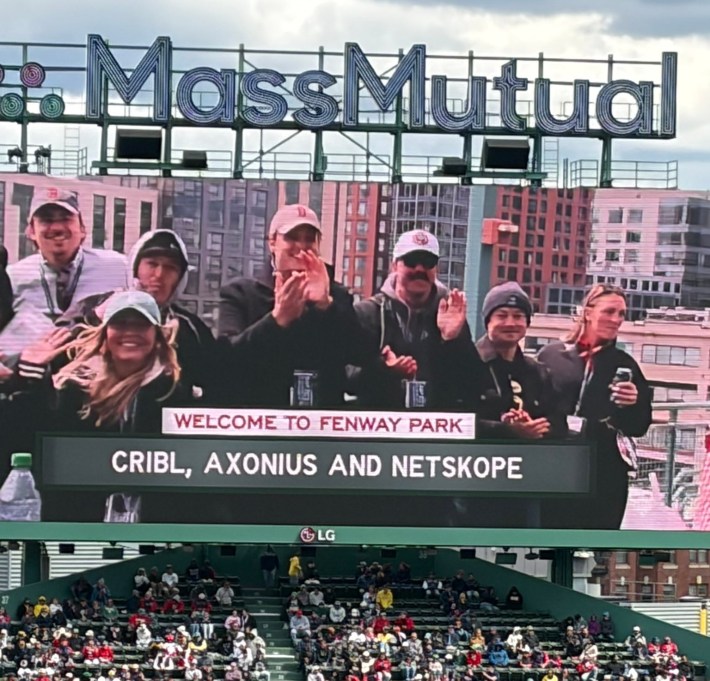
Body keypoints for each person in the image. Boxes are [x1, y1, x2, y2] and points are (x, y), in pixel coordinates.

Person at [218, 203, 363, 407]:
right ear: (272, 242)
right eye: (292, 237)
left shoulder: (337, 295)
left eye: (309, 239)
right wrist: (276, 320)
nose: (301, 246)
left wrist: (325, 306)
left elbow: (358, 354)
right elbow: (225, 362)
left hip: (320, 417)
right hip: (261, 415)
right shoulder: (240, 293)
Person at [538, 284, 652, 529]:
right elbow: (535, 406)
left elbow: (639, 426)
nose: (616, 319)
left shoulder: (625, 364)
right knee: (551, 540)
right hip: (556, 467)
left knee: (599, 545)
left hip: (605, 472)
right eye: (609, 311)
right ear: (587, 312)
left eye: (621, 314)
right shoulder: (551, 356)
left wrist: (633, 404)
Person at [75, 229, 221, 401]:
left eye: (170, 268)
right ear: (135, 268)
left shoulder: (190, 329)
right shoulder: (94, 308)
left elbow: (214, 385)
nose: (159, 275)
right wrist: (97, 318)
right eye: (152, 264)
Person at [350, 228, 483, 409]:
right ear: (394, 265)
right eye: (411, 262)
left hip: (434, 423)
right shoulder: (368, 313)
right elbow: (346, 376)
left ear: (436, 269)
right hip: (380, 421)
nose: (419, 269)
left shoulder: (449, 313)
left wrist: (451, 341)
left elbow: (471, 384)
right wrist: (384, 370)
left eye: (428, 263)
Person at [5, 187, 127, 327]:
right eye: (47, 220)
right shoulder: (13, 278)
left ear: (82, 228)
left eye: (65, 219)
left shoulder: (118, 267)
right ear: (31, 231)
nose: (57, 228)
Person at [473, 282, 566, 439]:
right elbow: (456, 422)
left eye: (518, 316)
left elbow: (559, 424)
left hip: (531, 454)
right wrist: (505, 429)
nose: (510, 323)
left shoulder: (538, 372)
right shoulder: (467, 365)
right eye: (502, 316)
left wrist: (534, 426)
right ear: (488, 322)